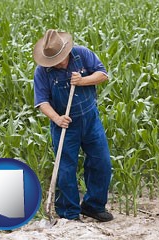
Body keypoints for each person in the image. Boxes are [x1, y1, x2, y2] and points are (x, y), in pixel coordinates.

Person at [32, 29, 113, 222]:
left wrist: (83, 80)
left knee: (101, 162)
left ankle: (93, 206)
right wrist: (57, 118)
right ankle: (69, 212)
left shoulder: (82, 54)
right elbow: (41, 102)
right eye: (53, 60)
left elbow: (103, 75)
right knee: (66, 169)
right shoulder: (42, 72)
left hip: (90, 119)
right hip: (65, 125)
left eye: (59, 58)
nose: (58, 63)